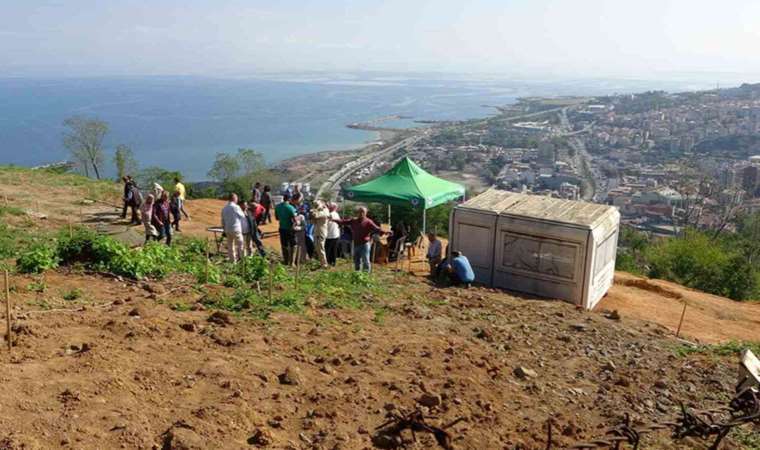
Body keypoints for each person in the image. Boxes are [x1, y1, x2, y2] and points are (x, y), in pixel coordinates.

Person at [333, 206, 388, 272]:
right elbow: (343, 222)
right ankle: (357, 273)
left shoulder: (368, 222)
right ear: (357, 213)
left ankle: (365, 275)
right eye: (360, 212)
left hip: (365, 244)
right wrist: (334, 220)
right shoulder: (354, 220)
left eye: (363, 212)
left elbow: (377, 229)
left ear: (366, 213)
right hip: (356, 244)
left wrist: (385, 232)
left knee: (366, 260)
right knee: (356, 260)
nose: (361, 213)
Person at [221, 193, 246, 263]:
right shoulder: (236, 207)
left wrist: (224, 229)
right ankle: (243, 261)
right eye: (236, 198)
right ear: (234, 198)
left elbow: (222, 220)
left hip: (227, 229)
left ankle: (232, 261)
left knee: (230, 246)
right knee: (240, 245)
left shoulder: (224, 208)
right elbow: (243, 216)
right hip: (236, 228)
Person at [275, 193, 297, 265]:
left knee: (284, 245)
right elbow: (295, 220)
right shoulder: (291, 208)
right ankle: (292, 262)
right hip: (290, 229)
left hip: (282, 228)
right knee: (293, 245)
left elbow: (277, 218)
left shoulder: (277, 207)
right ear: (289, 199)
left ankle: (286, 261)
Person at [310, 200, 330, 267]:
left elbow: (316, 215)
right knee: (317, 247)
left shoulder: (325, 211)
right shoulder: (319, 211)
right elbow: (312, 221)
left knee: (321, 248)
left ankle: (324, 264)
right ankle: (321, 262)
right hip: (316, 231)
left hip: (321, 232)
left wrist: (315, 209)